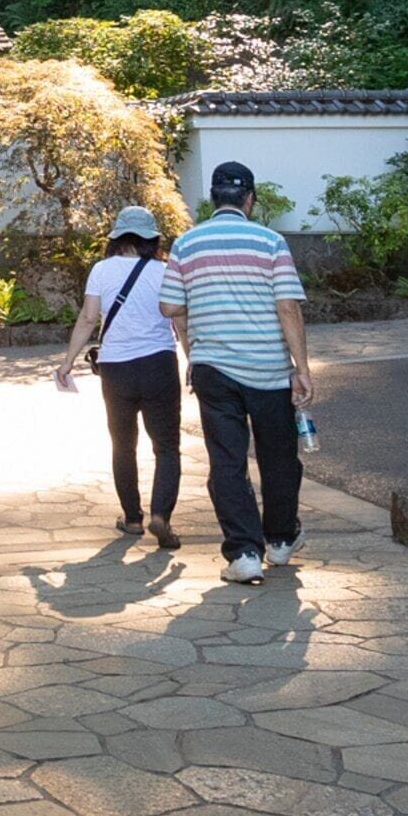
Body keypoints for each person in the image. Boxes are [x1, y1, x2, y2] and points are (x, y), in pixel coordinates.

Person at [163, 160, 314, 585]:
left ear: (212, 199)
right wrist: (302, 369)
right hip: (268, 369)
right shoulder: (271, 242)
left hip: (213, 368)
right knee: (278, 458)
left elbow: (170, 306)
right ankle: (281, 540)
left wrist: (196, 337)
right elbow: (288, 307)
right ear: (250, 199)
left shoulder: (186, 244)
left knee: (227, 461)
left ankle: (244, 552)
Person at [56, 205, 181, 546]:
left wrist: (67, 362)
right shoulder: (165, 271)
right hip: (159, 364)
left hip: (116, 369)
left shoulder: (101, 270)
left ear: (117, 237)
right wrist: (193, 360)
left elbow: (88, 318)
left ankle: (133, 519)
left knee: (123, 445)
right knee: (166, 446)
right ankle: (161, 515)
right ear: (152, 238)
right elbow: (180, 321)